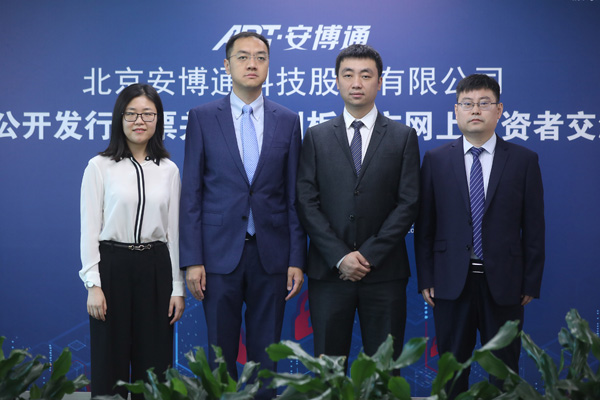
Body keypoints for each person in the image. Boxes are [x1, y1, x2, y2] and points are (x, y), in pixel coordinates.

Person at [179, 32, 306, 398]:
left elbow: (293, 196)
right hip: (218, 256)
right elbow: (193, 193)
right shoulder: (203, 118)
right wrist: (193, 259)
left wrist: (296, 258)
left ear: (269, 64)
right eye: (243, 57)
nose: (252, 64)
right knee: (220, 353)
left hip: (272, 255)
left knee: (267, 354)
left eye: (261, 57)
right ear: (227, 65)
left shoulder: (287, 120)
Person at [414, 74, 545, 397]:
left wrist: (530, 282)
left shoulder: (523, 160)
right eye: (467, 104)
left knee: (504, 371)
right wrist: (426, 276)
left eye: (484, 103)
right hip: (450, 282)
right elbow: (425, 226)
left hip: (504, 283)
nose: (475, 110)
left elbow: (534, 227)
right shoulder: (435, 160)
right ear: (456, 111)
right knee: (451, 370)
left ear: (498, 110)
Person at [296, 44, 420, 366]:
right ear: (336, 81)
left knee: (384, 371)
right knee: (329, 370)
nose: (356, 83)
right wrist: (340, 256)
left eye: (366, 75)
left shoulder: (403, 136)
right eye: (348, 75)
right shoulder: (316, 136)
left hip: (384, 273)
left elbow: (408, 203)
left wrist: (369, 255)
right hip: (329, 273)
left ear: (380, 82)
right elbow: (306, 202)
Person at [80, 83, 185, 398]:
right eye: (132, 114)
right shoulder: (99, 166)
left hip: (156, 267)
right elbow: (89, 229)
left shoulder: (169, 170)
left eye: (148, 114)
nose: (140, 121)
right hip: (113, 265)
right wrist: (93, 284)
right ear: (120, 118)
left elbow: (173, 233)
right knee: (108, 362)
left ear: (158, 119)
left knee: (154, 364)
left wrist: (177, 288)